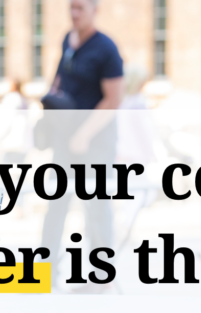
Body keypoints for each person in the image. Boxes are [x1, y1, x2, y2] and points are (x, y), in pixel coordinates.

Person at [40, 0, 124, 287]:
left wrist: (85, 134)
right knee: (56, 204)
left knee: (97, 205)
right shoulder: (68, 40)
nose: (74, 14)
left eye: (80, 8)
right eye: (71, 8)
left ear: (94, 10)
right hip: (65, 140)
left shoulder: (106, 49)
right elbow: (60, 82)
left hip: (95, 141)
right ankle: (46, 274)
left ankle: (101, 277)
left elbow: (114, 99)